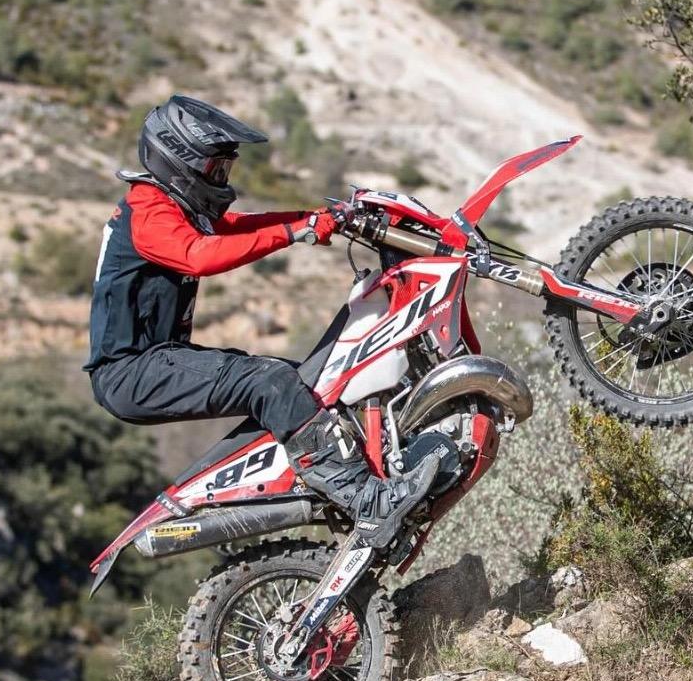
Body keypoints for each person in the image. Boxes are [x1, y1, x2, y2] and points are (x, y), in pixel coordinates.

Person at [85, 95, 437, 548]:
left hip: (158, 360)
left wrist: (315, 219)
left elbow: (235, 226)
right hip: (132, 371)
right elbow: (200, 256)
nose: (221, 179)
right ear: (179, 163)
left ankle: (349, 475)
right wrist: (295, 231)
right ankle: (366, 499)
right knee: (270, 381)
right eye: (215, 170)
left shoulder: (171, 207)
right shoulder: (148, 210)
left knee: (304, 383)